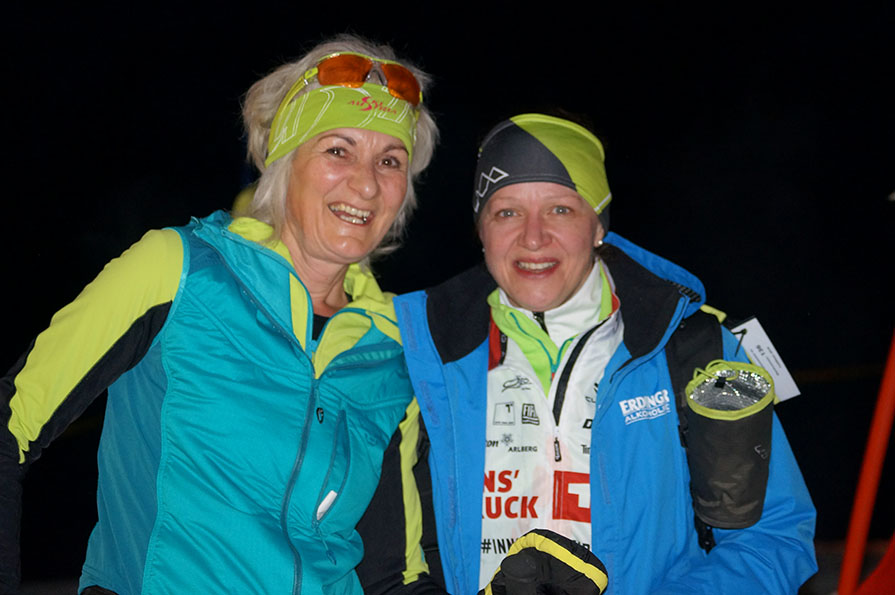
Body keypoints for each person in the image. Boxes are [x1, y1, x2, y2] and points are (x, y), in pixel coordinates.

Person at [0, 35, 440, 594]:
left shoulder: (397, 351)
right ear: (284, 159)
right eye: (338, 150)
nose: (367, 182)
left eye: (390, 161)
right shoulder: (178, 269)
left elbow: (391, 574)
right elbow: (10, 422)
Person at [393, 113, 818, 593]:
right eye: (506, 212)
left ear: (598, 226)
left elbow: (774, 538)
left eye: (560, 209)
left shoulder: (696, 350)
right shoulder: (421, 353)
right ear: (481, 231)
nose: (533, 237)